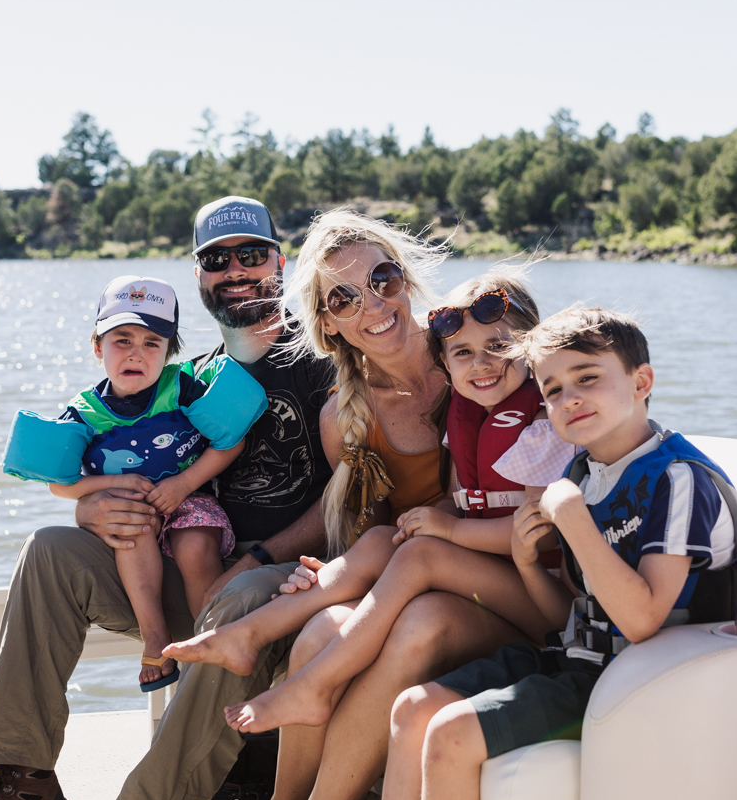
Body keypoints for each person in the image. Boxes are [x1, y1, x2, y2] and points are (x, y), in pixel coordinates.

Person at [272, 304, 737, 800]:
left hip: (633, 687)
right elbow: (568, 619)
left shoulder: (674, 479)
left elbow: (643, 619)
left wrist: (570, 515)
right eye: (552, 389)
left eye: (588, 379)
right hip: (577, 658)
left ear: (643, 380)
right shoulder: (588, 470)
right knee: (412, 706)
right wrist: (529, 560)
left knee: (453, 732)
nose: (568, 400)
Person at [0, 196, 335, 800]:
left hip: (283, 580)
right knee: (51, 551)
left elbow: (343, 497)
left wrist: (260, 557)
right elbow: (103, 468)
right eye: (216, 260)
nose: (234, 272)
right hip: (181, 571)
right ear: (199, 278)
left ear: (281, 259)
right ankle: (20, 785)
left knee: (235, 601)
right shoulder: (191, 376)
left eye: (250, 254)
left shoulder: (327, 362)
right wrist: (91, 510)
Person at [187, 219, 554, 800]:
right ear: (327, 322)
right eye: (346, 297)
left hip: (496, 587)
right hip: (428, 570)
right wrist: (326, 576)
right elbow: (371, 531)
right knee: (325, 631)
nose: (374, 305)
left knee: (410, 616)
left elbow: (570, 428)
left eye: (383, 279)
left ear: (407, 278)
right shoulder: (344, 413)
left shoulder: (476, 349)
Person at [169, 270, 575, 733]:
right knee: (388, 538)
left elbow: (535, 533)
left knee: (419, 551)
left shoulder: (544, 426)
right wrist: (426, 524)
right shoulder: (470, 418)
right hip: (495, 574)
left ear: (532, 347)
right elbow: (461, 502)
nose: (482, 365)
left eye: (499, 349)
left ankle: (313, 685)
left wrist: (446, 532)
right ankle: (249, 632)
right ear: (447, 361)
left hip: (549, 597)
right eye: (464, 353)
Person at [12, 274, 266, 688]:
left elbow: (230, 443)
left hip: (187, 499)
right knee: (131, 531)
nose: (137, 354)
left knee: (197, 541)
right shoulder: (84, 413)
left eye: (152, 343)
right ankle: (154, 633)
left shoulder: (182, 387)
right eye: (122, 340)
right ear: (98, 346)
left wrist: (183, 485)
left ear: (170, 350)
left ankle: (208, 635)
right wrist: (113, 484)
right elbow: (60, 484)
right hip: (129, 511)